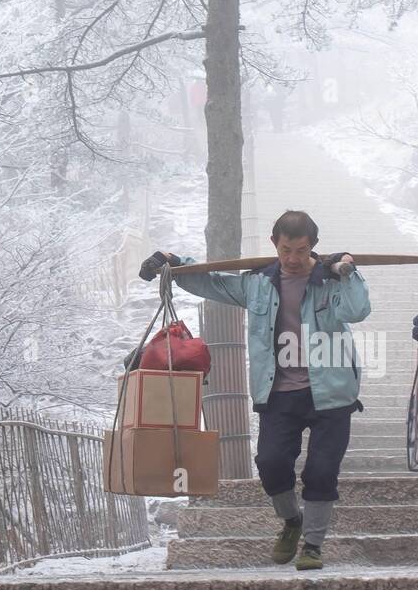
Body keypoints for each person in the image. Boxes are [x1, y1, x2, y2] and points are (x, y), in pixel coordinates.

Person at [142, 210, 369, 570]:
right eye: (285, 250)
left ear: (313, 247)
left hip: (332, 393)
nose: (292, 259)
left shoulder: (330, 281)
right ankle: (292, 522)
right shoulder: (258, 284)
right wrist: (173, 263)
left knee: (322, 470)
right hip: (278, 392)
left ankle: (312, 544)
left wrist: (347, 271)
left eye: (301, 250)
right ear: (274, 245)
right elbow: (212, 283)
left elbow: (358, 310)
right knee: (270, 463)